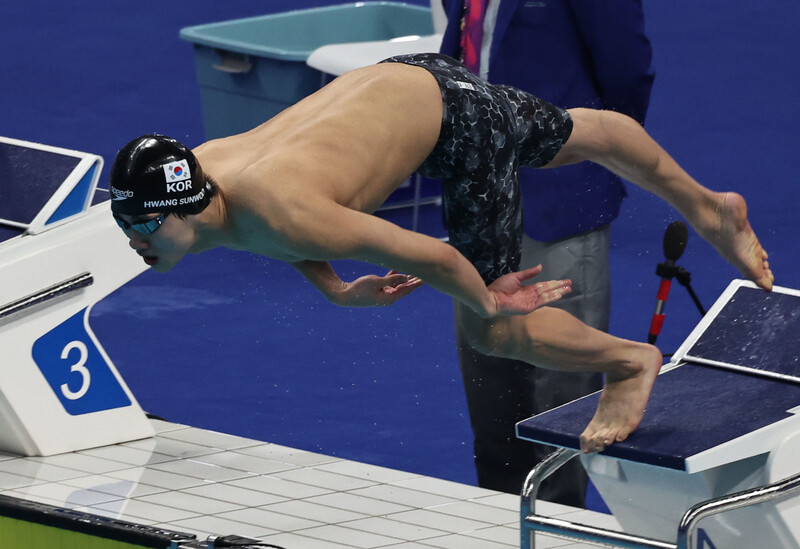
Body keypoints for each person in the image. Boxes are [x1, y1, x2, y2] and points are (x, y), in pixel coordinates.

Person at [109, 53, 772, 455]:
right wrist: (336, 289)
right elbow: (262, 228)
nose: (134, 239)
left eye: (142, 224)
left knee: (500, 333)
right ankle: (710, 206)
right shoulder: (210, 174)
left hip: (457, 127)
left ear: (184, 209)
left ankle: (629, 363)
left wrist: (491, 297)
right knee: (575, 132)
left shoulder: (286, 213)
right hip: (413, 78)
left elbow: (430, 254)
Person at [438, 0, 655, 504]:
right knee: (491, 403)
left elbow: (627, 70)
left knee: (562, 416)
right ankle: (499, 528)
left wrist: (592, 155)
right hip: (475, 205)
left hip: (559, 204)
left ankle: (559, 534)